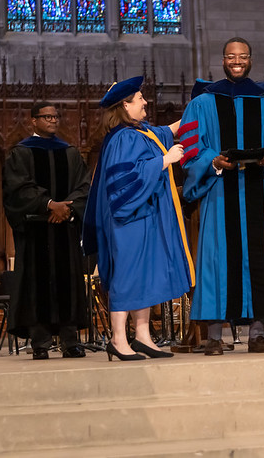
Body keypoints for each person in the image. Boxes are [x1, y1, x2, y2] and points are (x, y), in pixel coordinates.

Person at [178, 37, 264, 355]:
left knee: (262, 261)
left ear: (250, 60)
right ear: (222, 60)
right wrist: (212, 161)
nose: (237, 60)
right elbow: (190, 153)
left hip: (261, 193)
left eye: (242, 56)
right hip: (220, 194)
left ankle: (257, 334)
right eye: (231, 56)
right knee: (218, 263)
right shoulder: (203, 103)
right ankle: (215, 337)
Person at [82, 76, 193, 361]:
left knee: (143, 276)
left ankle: (142, 336)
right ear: (124, 105)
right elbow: (124, 182)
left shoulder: (139, 131)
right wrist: (164, 161)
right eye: (139, 98)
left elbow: (166, 131)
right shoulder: (122, 138)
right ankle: (119, 339)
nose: (145, 102)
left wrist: (196, 110)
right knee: (127, 275)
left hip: (143, 216)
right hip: (128, 219)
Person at [2, 102, 91, 359]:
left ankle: (70, 340)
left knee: (68, 282)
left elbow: (83, 187)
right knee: (36, 284)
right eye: (47, 116)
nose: (53, 120)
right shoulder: (21, 153)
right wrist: (49, 204)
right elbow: (17, 188)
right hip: (35, 230)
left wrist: (68, 209)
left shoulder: (71, 153)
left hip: (65, 229)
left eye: (55, 116)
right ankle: (40, 343)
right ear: (33, 120)